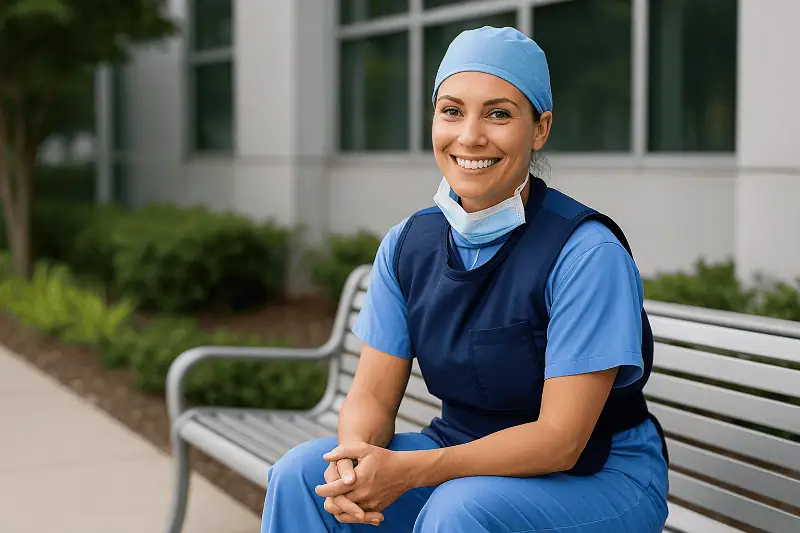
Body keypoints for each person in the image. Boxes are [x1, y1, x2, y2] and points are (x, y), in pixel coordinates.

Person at [260, 26, 669, 533]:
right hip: (458, 455)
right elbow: (370, 396)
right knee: (303, 476)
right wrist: (354, 462)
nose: (470, 135)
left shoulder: (586, 254)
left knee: (460, 510)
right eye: (451, 111)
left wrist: (411, 472)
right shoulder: (408, 245)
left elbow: (561, 440)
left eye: (499, 114)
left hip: (598, 474)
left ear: (539, 129)